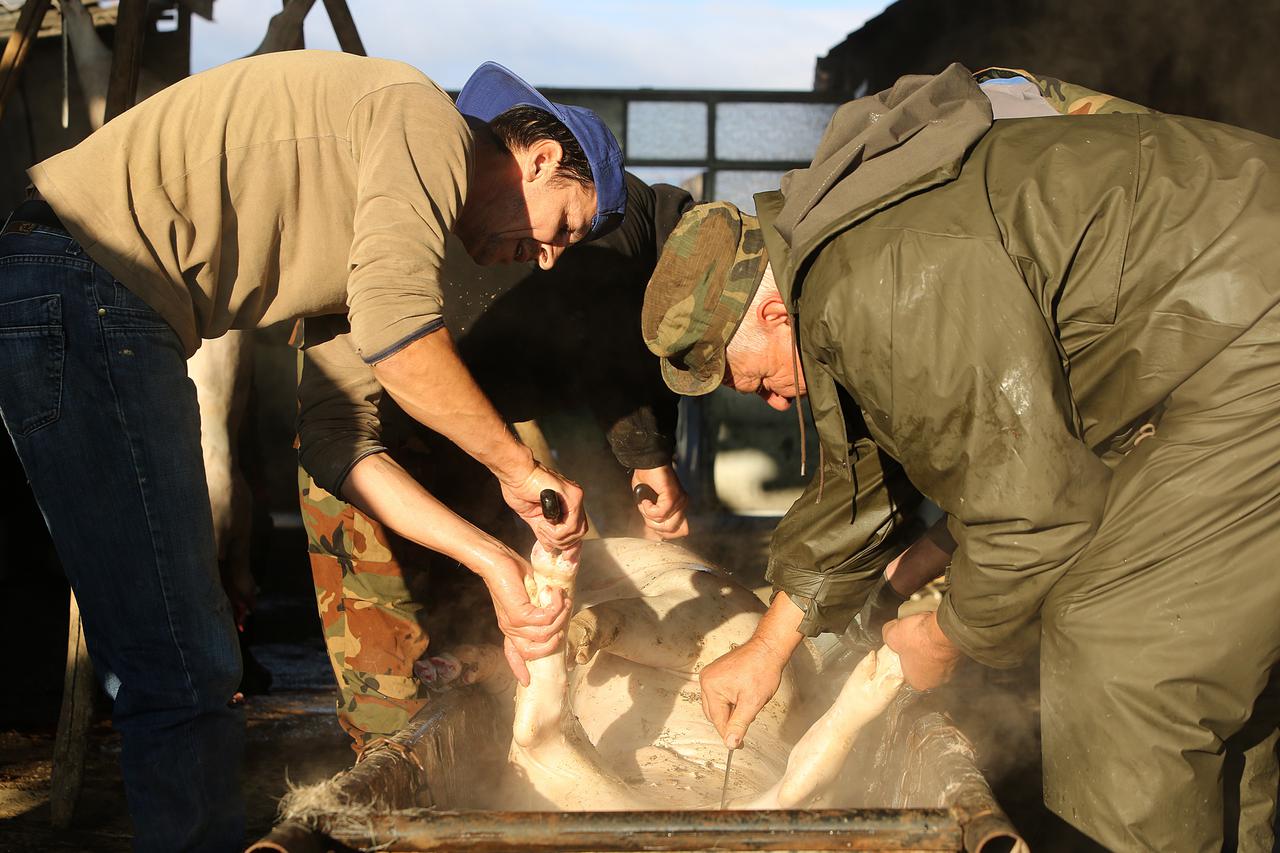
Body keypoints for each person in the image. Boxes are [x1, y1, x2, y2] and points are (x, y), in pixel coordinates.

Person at [640, 65, 1280, 851]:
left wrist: (947, 633)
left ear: (773, 311)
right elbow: (864, 475)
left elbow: (1036, 510)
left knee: (1124, 649)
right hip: (1226, 324)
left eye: (760, 380)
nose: (775, 401)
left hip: (1253, 327)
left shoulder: (883, 280)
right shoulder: (838, 259)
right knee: (1202, 666)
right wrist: (770, 645)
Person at [0, 51, 622, 853]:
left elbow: (339, 442)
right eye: (562, 226)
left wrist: (495, 566)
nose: (545, 258)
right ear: (538, 158)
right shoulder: (426, 119)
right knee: (183, 664)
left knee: (176, 654)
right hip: (87, 282)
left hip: (85, 291)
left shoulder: (371, 221)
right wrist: (518, 470)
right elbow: (402, 336)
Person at [295, 172, 695, 747]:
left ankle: (491, 764)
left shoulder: (642, 264)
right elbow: (342, 437)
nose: (547, 254)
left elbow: (611, 390)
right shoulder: (601, 221)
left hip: (479, 431)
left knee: (498, 636)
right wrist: (639, 462)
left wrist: (646, 474)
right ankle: (397, 811)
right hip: (378, 434)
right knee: (390, 678)